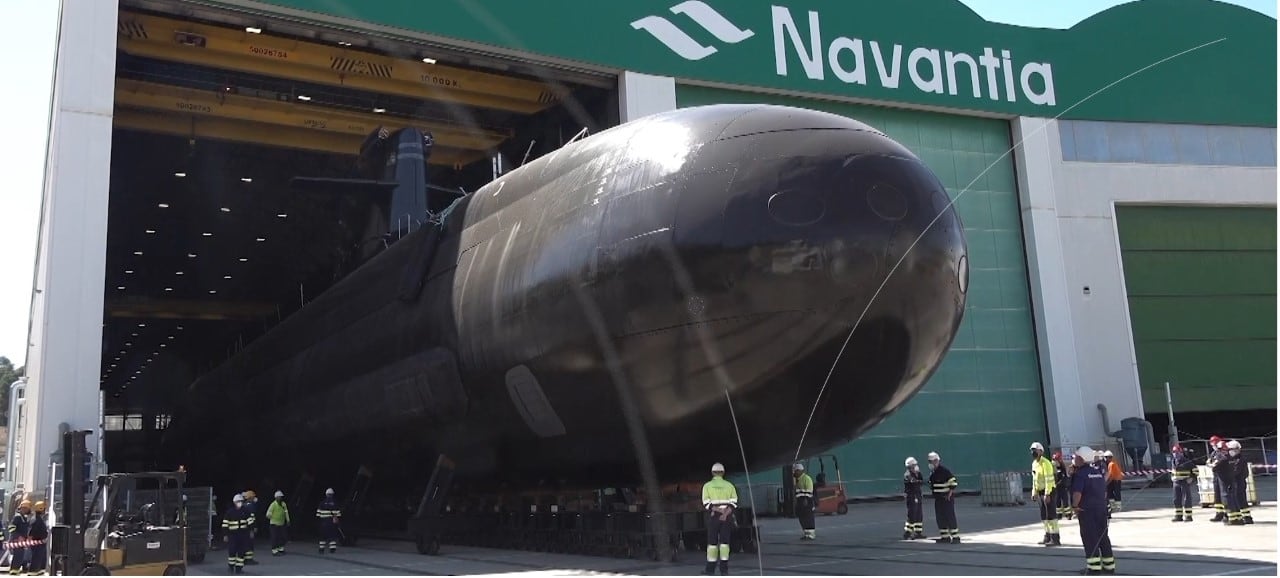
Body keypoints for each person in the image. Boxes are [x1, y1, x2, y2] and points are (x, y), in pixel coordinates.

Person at [1070, 446, 1114, 575]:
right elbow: (1104, 492)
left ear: (1082, 459)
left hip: (1086, 511)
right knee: (1103, 537)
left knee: (1090, 539)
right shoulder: (1098, 472)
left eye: (1076, 456)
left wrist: (1074, 506)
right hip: (1101, 509)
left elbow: (1077, 493)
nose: (1074, 458)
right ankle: (1109, 566)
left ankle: (1094, 569)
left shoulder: (1081, 474)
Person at [700, 462, 737, 576]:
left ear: (712, 473)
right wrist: (725, 514)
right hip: (727, 516)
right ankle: (724, 570)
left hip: (714, 516)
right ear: (723, 473)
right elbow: (734, 503)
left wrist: (719, 511)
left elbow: (707, 504)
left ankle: (710, 570)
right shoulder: (730, 485)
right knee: (725, 543)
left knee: (712, 543)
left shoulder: (707, 486)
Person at [1029, 442, 1060, 546]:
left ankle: (1055, 538)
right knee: (1044, 516)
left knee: (1051, 515)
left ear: (1041, 451)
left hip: (1049, 491)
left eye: (1035, 450)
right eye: (1032, 450)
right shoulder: (1034, 464)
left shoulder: (1046, 463)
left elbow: (1049, 480)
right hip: (1040, 493)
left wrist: (1047, 494)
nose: (1033, 452)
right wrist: (1034, 492)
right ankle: (1047, 536)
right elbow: (1034, 480)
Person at [927, 452, 959, 544]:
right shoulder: (933, 474)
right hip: (938, 499)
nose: (930, 464)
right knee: (940, 518)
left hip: (946, 499)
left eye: (931, 461)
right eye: (929, 461)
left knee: (949, 517)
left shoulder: (945, 471)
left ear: (936, 461)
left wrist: (950, 493)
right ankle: (945, 537)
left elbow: (953, 482)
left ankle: (955, 537)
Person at [221, 494, 251, 574]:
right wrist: (225, 535)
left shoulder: (246, 511)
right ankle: (231, 567)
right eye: (238, 501)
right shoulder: (229, 512)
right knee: (232, 551)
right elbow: (225, 524)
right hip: (232, 535)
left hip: (243, 535)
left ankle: (239, 569)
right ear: (234, 502)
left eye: (241, 501)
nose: (240, 503)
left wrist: (251, 530)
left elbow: (250, 522)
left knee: (241, 552)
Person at [1169, 444, 1196, 522]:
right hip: (1176, 482)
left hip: (1184, 482)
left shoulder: (1186, 461)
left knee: (1187, 499)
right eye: (1174, 452)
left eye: (1177, 452)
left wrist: (1191, 478)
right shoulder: (1173, 461)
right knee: (1176, 499)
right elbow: (1173, 470)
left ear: (1181, 452)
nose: (1175, 454)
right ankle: (1178, 516)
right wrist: (1172, 477)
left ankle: (1188, 516)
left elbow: (1195, 470)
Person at [902, 457, 925, 540]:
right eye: (914, 465)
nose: (916, 466)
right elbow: (914, 482)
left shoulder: (918, 473)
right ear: (910, 466)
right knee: (912, 515)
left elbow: (921, 481)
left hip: (918, 495)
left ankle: (918, 532)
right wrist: (918, 481)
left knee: (919, 514)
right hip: (911, 497)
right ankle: (907, 533)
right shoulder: (907, 475)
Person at [7, 499, 31, 576]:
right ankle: (13, 572)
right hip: (16, 541)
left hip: (21, 542)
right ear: (24, 508)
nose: (29, 510)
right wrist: (19, 536)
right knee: (17, 557)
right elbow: (11, 528)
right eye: (28, 508)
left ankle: (16, 572)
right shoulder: (17, 517)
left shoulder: (23, 517)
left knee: (20, 557)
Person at [792, 463, 816, 540]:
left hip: (807, 501)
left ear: (800, 471)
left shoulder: (807, 478)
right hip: (800, 502)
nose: (794, 473)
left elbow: (809, 491)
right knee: (802, 518)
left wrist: (805, 499)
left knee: (808, 517)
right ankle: (806, 534)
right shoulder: (798, 480)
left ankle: (811, 534)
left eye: (795, 471)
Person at [1206, 436, 1227, 521]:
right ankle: (1219, 514)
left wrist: (1212, 464)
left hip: (1222, 476)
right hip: (1216, 476)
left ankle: (1226, 514)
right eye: (1212, 445)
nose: (1213, 446)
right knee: (1217, 496)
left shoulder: (1222, 453)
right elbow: (1209, 462)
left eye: (1214, 444)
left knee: (1224, 495)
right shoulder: (1213, 453)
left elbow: (1217, 464)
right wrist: (1210, 464)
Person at [316, 488, 342, 554]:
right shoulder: (336, 503)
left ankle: (321, 549)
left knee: (322, 536)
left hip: (323, 522)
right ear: (333, 494)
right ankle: (332, 549)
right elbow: (338, 514)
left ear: (326, 494)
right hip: (332, 522)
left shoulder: (322, 503)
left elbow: (318, 514)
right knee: (332, 536)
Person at [267, 490, 292, 555]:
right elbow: (268, 513)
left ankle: (281, 549)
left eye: (281, 497)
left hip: (282, 523)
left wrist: (288, 520)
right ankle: (274, 551)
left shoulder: (283, 504)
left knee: (283, 537)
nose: (280, 498)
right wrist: (269, 516)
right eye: (279, 497)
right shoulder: (273, 504)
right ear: (276, 497)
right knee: (275, 537)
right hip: (274, 524)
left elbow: (286, 512)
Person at [28, 501, 47, 576]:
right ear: (41, 509)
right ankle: (32, 572)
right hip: (37, 542)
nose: (44, 510)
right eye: (44, 509)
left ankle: (39, 570)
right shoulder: (36, 519)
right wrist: (29, 541)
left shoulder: (39, 518)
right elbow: (32, 531)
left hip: (40, 542)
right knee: (36, 556)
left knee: (40, 557)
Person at [1052, 451, 1073, 520]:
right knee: (1057, 501)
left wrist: (1060, 482)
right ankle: (1059, 515)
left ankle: (1068, 515)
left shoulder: (1062, 467)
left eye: (1056, 460)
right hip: (1056, 488)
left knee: (1065, 501)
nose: (1055, 462)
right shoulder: (1053, 468)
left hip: (1063, 487)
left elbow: (1064, 477)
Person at [1102, 451, 1123, 517]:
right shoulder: (1114, 462)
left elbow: (1110, 475)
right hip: (1116, 479)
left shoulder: (1111, 464)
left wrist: (1107, 483)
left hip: (1115, 480)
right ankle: (1114, 505)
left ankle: (1117, 506)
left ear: (1108, 457)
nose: (1105, 459)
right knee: (1111, 492)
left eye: (1105, 457)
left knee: (1116, 492)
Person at [241, 490, 259, 565]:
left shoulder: (244, 505)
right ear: (251, 498)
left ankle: (244, 558)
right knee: (249, 544)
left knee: (245, 543)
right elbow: (252, 518)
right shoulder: (251, 506)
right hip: (249, 528)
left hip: (244, 527)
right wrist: (253, 528)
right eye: (253, 497)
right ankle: (249, 559)